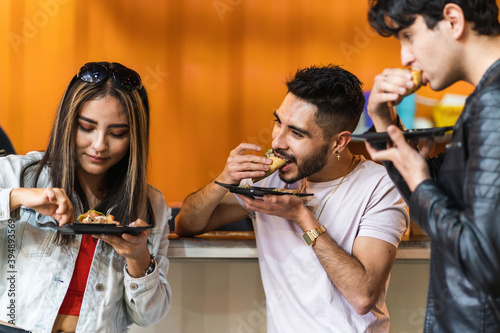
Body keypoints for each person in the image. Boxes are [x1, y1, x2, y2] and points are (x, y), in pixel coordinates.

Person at [175, 65, 408, 332]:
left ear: (339, 143)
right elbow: (186, 224)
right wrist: (224, 180)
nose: (277, 142)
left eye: (296, 133)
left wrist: (301, 216)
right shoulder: (270, 179)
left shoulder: (381, 185)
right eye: (278, 122)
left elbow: (363, 296)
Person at [0, 62, 172, 333]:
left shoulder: (150, 204)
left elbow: (149, 316)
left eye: (117, 133)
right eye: (86, 127)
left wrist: (139, 258)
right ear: (68, 123)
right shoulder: (20, 174)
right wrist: (18, 197)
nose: (100, 145)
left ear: (134, 138)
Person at [365, 1, 500, 332]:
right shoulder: (484, 97)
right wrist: (382, 119)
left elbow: (483, 260)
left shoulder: (493, 103)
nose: (405, 58)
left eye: (408, 35)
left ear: (453, 20)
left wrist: (420, 182)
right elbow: (449, 198)